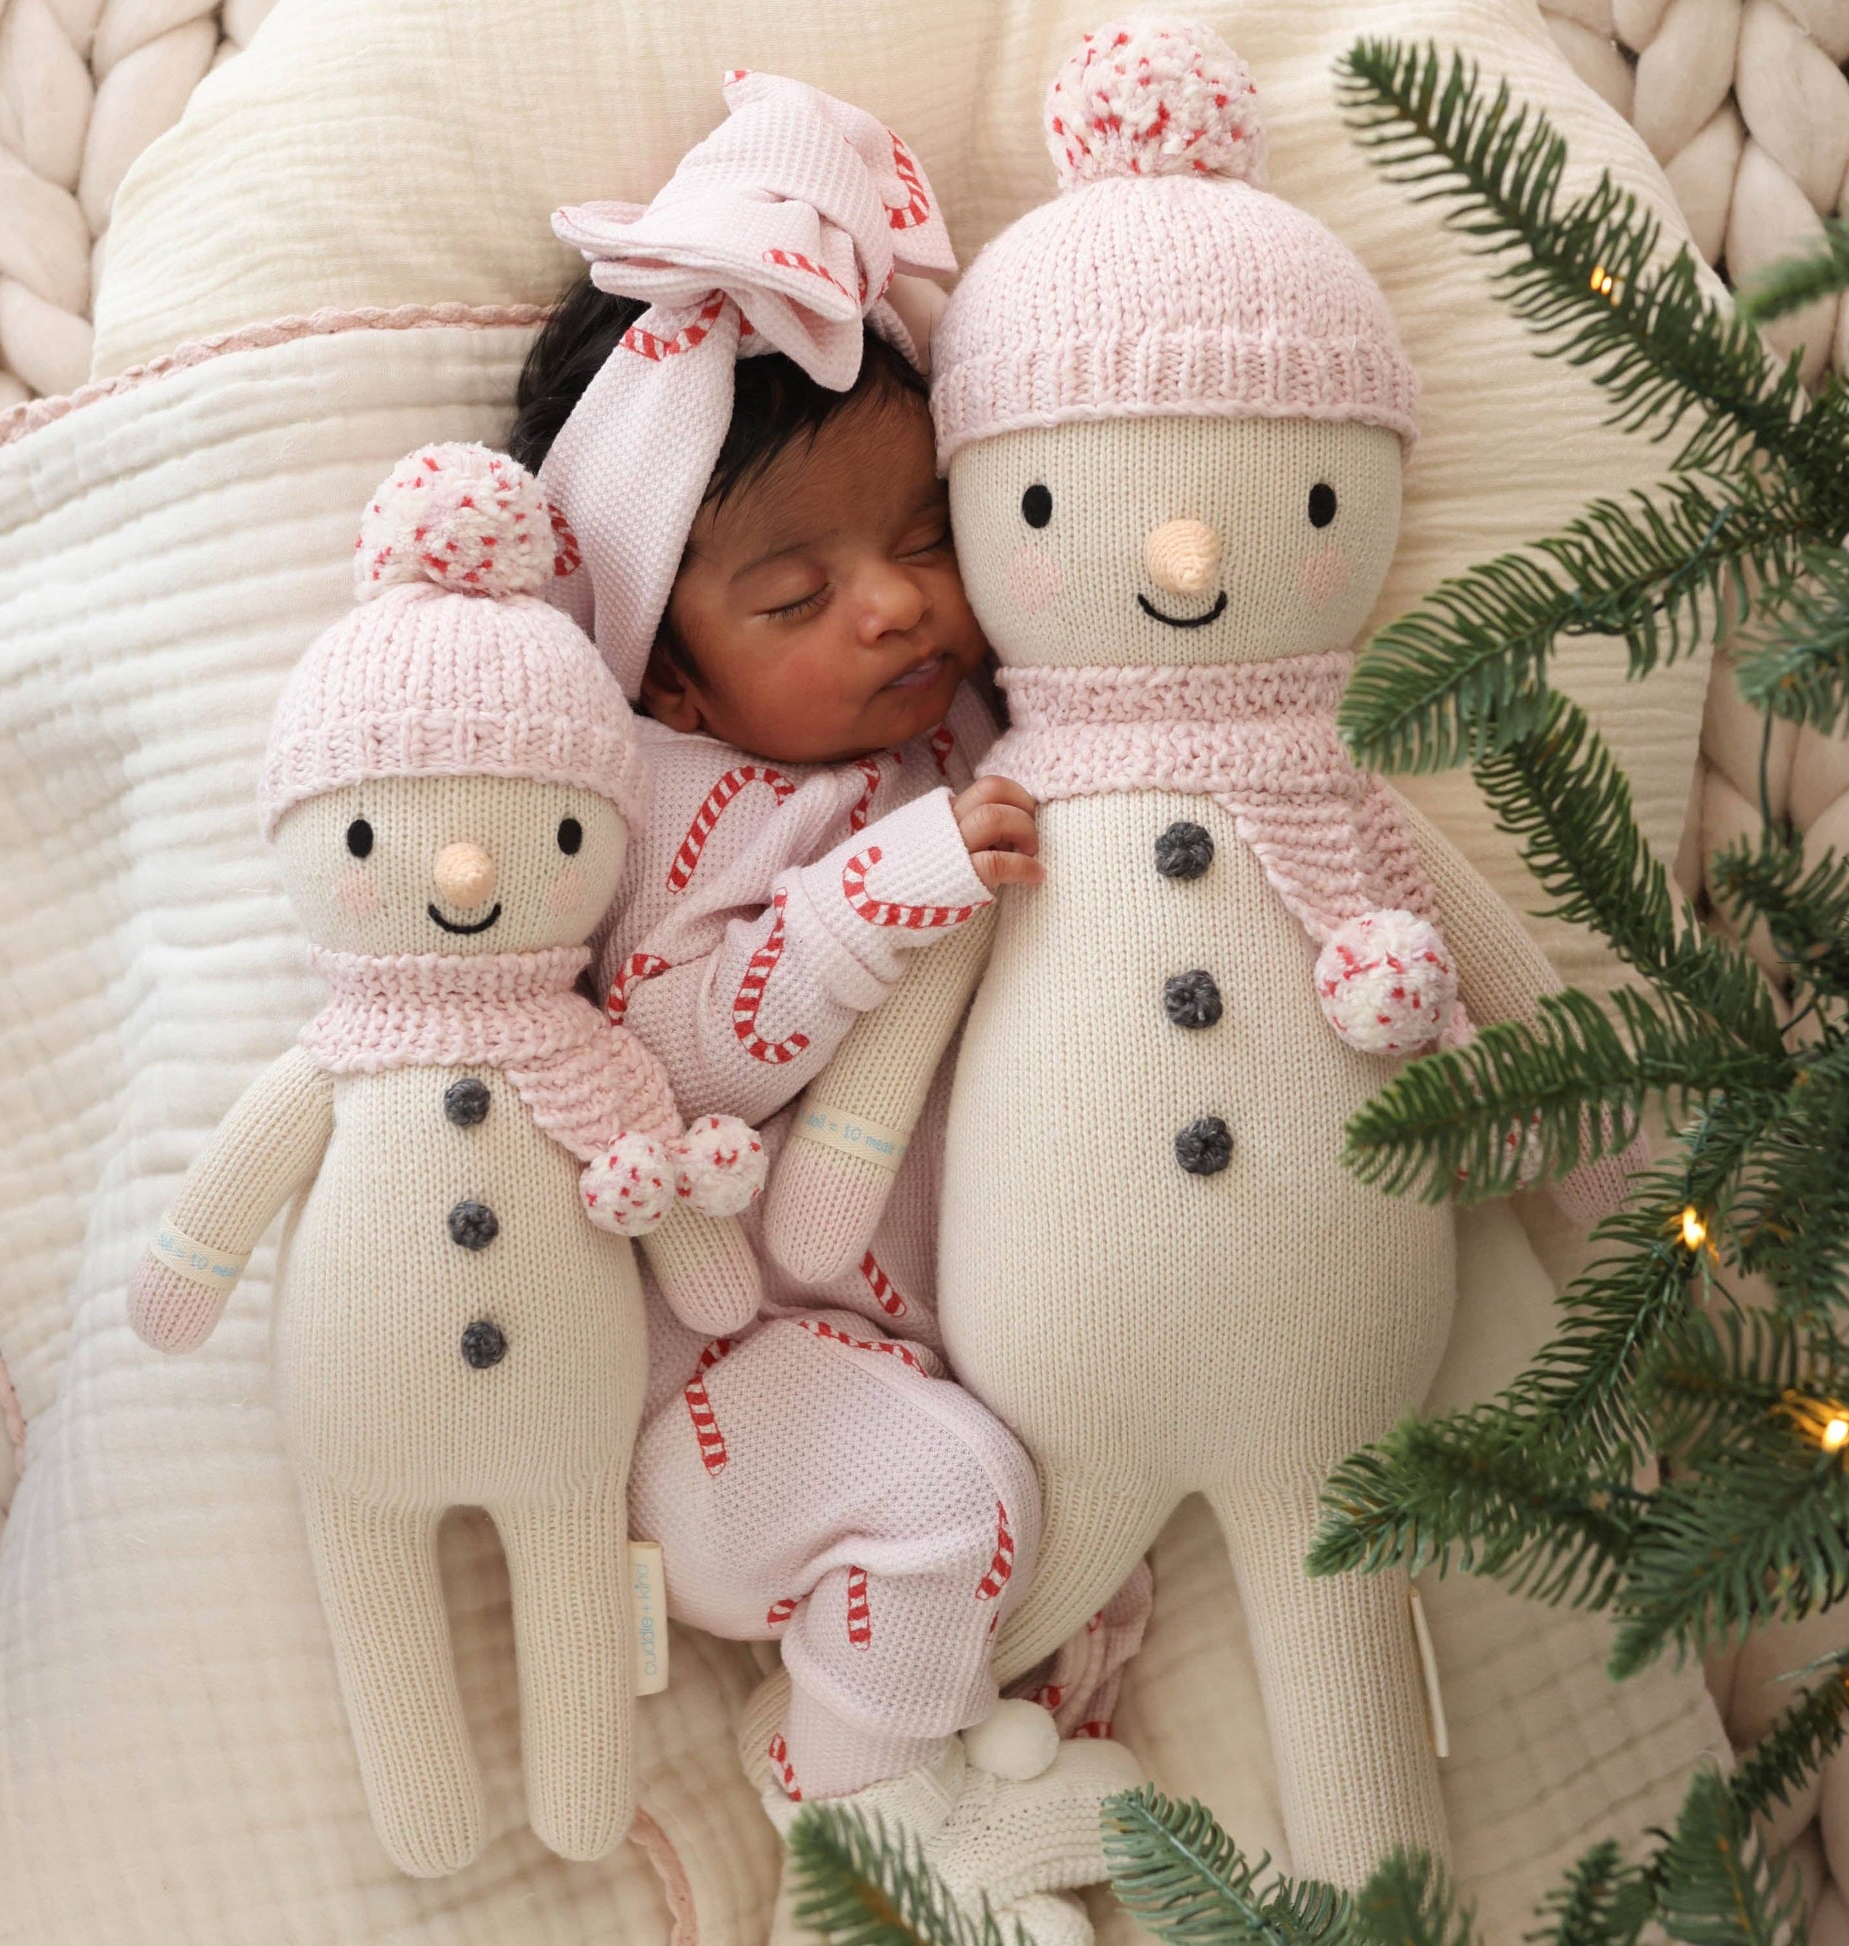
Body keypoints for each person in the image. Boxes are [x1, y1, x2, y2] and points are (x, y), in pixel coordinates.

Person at [508, 69, 1139, 1944]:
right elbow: (672, 1044)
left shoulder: (974, 724)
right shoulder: (678, 804)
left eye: (924, 540)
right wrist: (880, 889)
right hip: (732, 1388)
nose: (893, 608)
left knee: (1034, 1502)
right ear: (668, 676)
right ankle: (852, 1834)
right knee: (942, 1504)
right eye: (793, 594)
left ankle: (965, 1760)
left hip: (944, 1340)